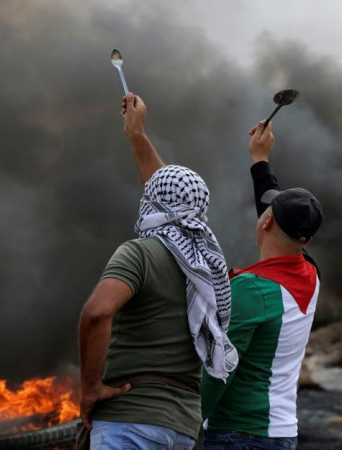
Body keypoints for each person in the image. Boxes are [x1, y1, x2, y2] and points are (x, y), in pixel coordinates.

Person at [78, 93, 237, 450]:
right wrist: (136, 134)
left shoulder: (139, 254)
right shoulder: (206, 265)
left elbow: (97, 314)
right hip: (182, 428)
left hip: (129, 422)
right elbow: (170, 195)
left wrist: (90, 388)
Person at [200, 120, 323, 450]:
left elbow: (219, 370)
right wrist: (260, 159)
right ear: (305, 239)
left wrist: (186, 421)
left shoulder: (253, 290)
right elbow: (272, 209)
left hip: (238, 434)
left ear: (267, 221)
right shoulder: (311, 275)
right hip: (282, 433)